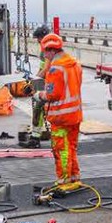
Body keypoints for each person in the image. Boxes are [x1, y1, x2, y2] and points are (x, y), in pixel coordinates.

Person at [38, 33, 83, 185]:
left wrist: (39, 95)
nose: (44, 55)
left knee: (61, 149)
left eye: (44, 52)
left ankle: (63, 180)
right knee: (71, 147)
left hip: (61, 117)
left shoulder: (56, 69)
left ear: (51, 50)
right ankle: (74, 177)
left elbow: (52, 94)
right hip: (75, 115)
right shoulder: (75, 64)